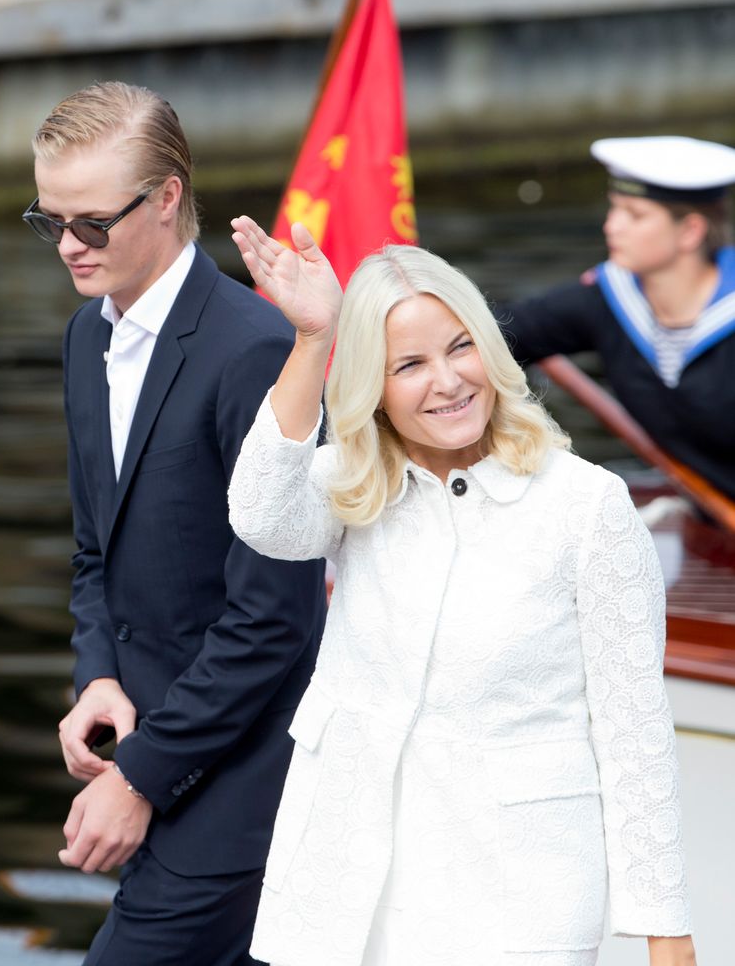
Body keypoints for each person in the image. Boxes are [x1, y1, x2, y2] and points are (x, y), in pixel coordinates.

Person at [227, 215, 696, 966]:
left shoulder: (588, 506)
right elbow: (261, 518)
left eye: (460, 346)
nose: (447, 381)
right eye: (407, 364)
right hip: (348, 889)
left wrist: (665, 929)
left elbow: (634, 731)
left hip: (518, 901)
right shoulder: (355, 483)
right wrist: (316, 340)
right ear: (371, 388)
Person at [22, 82, 327, 966]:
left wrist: (141, 777)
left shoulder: (255, 351)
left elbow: (277, 615)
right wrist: (98, 677)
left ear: (165, 198)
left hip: (245, 776)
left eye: (92, 223)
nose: (70, 248)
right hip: (150, 739)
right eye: (51, 223)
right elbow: (95, 550)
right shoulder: (86, 337)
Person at [500, 134, 735, 503]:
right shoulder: (607, 300)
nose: (612, 226)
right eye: (614, 208)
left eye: (635, 215)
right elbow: (496, 331)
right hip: (711, 524)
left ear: (690, 231)